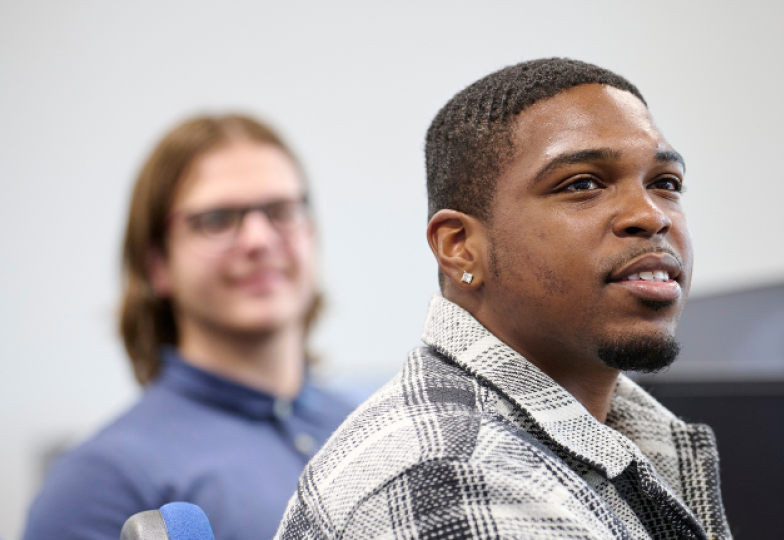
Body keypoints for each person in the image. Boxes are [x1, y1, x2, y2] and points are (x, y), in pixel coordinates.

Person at [274, 59, 732, 540]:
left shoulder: (617, 431)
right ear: (460, 246)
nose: (651, 214)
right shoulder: (455, 472)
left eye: (666, 184)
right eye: (582, 184)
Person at [24, 114, 354, 540]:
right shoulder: (97, 484)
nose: (259, 238)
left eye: (281, 210)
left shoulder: (375, 427)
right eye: (216, 219)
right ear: (157, 264)